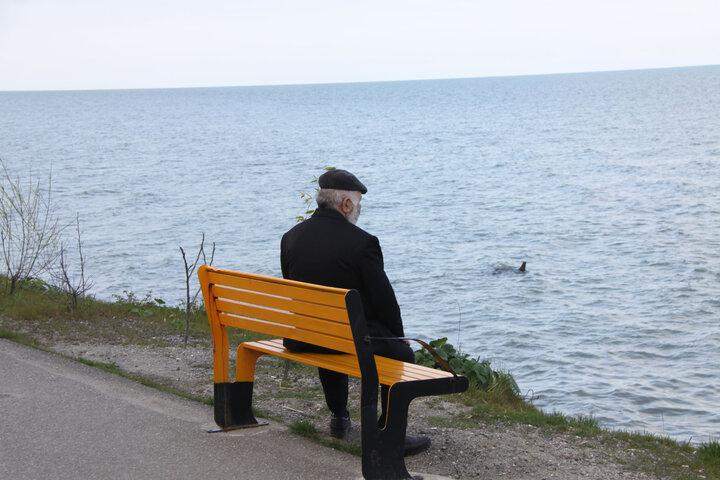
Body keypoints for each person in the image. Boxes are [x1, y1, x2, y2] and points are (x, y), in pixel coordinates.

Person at [280, 169, 431, 456]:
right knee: (401, 354)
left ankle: (339, 417)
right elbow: (386, 303)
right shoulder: (363, 243)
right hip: (346, 336)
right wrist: (397, 340)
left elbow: (293, 288)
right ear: (346, 205)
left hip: (308, 336)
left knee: (332, 331)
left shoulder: (291, 238)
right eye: (359, 203)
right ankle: (389, 433)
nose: (359, 209)